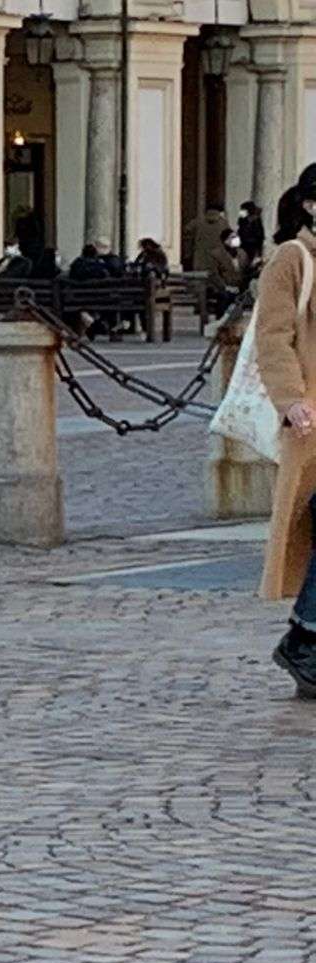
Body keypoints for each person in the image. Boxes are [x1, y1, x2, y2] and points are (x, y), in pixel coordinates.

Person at [255, 172, 316, 697]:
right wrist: (290, 398)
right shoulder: (293, 258)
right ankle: (304, 640)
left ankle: (304, 640)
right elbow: (272, 335)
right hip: (311, 417)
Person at [186, 201, 232, 272]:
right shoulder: (223, 223)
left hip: (200, 257)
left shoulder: (198, 221)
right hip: (216, 258)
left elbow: (187, 230)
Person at [239, 200, 267, 265]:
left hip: (251, 246)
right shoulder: (243, 220)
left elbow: (260, 236)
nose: (241, 212)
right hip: (246, 245)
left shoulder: (256, 221)